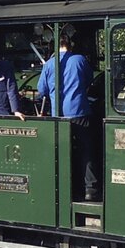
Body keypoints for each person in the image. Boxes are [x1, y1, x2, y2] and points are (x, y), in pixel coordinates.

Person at [36, 32, 99, 201]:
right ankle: (90, 189)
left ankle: (66, 188)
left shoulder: (49, 64)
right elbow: (89, 80)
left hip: (59, 114)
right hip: (80, 111)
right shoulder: (80, 60)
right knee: (86, 150)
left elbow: (41, 90)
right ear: (70, 45)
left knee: (63, 151)